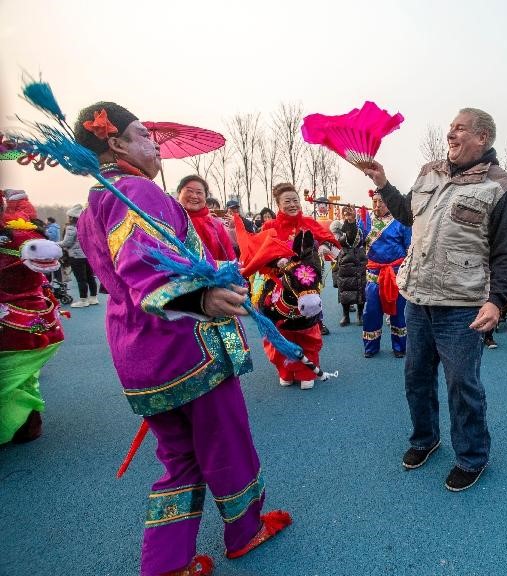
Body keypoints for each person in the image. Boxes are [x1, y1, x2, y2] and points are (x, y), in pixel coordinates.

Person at [73, 102, 290, 575]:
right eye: (143, 134)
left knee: (179, 459)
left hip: (137, 353)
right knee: (225, 442)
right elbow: (144, 272)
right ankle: (245, 530)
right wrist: (203, 300)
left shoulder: (97, 202)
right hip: (184, 348)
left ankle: (166, 562)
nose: (154, 144)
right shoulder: (137, 193)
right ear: (114, 143)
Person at [362, 107, 507, 492]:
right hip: (417, 297)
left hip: (462, 305)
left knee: (462, 384)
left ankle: (471, 457)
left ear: (483, 137)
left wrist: (497, 301)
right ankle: (425, 439)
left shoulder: (501, 185)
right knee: (416, 376)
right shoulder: (429, 170)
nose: (451, 134)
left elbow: (504, 252)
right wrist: (383, 183)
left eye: (460, 128)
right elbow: (407, 214)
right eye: (450, 128)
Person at [257, 182, 339, 388]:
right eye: (287, 201)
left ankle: (306, 371)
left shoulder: (309, 222)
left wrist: (325, 248)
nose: (293, 204)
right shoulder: (270, 227)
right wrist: (277, 262)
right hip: (278, 282)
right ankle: (285, 368)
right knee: (277, 327)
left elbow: (329, 240)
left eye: (295, 200)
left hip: (307, 284)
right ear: (278, 204)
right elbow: (259, 254)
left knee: (308, 329)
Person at [0, 196, 64, 445]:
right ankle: (26, 424)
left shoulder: (18, 233)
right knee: (21, 377)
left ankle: (20, 425)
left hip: (21, 321)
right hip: (27, 319)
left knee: (15, 376)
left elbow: (45, 252)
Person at [360, 191, 412, 358]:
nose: (377, 205)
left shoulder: (401, 221)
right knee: (371, 312)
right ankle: (371, 347)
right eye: (374, 202)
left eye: (381, 202)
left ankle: (400, 347)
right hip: (374, 276)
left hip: (396, 275)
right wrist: (350, 223)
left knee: (398, 312)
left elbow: (409, 248)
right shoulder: (365, 221)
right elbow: (355, 242)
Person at [176, 175, 235, 261]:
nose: (194, 196)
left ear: (205, 197)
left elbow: (229, 257)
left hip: (212, 273)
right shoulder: (168, 219)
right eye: (189, 191)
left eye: (199, 192)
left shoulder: (216, 225)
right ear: (179, 193)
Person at [58, 204, 99, 308]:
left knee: (81, 279)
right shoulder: (87, 225)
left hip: (76, 256)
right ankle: (93, 298)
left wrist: (55, 244)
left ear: (71, 216)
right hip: (87, 255)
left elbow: (67, 243)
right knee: (90, 277)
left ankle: (83, 300)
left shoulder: (71, 227)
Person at [332, 205, 366, 327]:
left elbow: (357, 238)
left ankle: (360, 314)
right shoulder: (338, 226)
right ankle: (345, 315)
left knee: (360, 287)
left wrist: (352, 221)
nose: (347, 213)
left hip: (359, 259)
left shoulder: (359, 224)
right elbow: (339, 241)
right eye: (345, 212)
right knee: (344, 288)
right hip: (345, 259)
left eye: (349, 211)